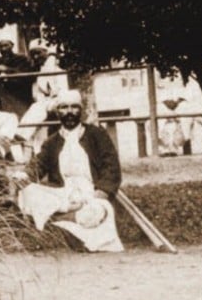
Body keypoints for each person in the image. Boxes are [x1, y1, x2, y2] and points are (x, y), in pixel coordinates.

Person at [16, 90, 124, 252]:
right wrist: (25, 175)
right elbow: (38, 164)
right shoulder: (52, 142)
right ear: (57, 112)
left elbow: (112, 167)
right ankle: (67, 220)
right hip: (64, 196)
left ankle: (59, 223)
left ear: (81, 110)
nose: (69, 112)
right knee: (27, 191)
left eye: (74, 107)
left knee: (94, 213)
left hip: (92, 195)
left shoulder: (97, 135)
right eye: (64, 108)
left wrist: (102, 191)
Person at [0, 37, 34, 117]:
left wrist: (5, 69)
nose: (3, 49)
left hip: (20, 97)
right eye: (0, 46)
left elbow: (24, 75)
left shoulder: (22, 59)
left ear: (12, 45)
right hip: (3, 98)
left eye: (6, 45)